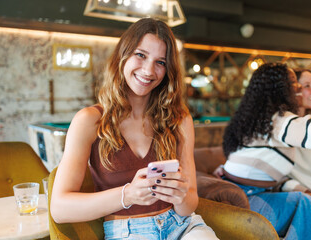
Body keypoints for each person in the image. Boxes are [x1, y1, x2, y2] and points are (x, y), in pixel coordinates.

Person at [50, 18, 218, 240]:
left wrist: (181, 196)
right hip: (128, 232)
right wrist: (127, 195)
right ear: (123, 55)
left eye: (160, 62)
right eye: (141, 55)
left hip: (183, 226)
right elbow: (60, 209)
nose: (149, 70)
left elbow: (188, 206)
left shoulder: (179, 118)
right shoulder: (89, 120)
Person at [214, 62, 311, 240]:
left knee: (310, 203)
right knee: (309, 205)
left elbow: (263, 172)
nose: (297, 86)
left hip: (242, 193)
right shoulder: (277, 121)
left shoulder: (255, 121)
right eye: (292, 82)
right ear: (279, 89)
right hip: (247, 198)